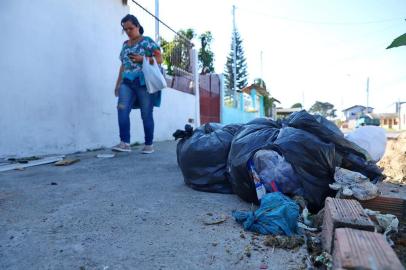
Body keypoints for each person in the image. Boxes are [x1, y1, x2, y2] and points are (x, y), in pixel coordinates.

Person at [113, 14, 163, 154]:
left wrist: (143, 58)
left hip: (143, 82)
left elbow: (160, 59)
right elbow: (123, 66)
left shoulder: (147, 41)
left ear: (138, 26)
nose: (128, 31)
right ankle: (124, 143)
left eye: (131, 28)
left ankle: (149, 144)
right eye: (125, 29)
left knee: (146, 114)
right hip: (127, 82)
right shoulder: (125, 45)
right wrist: (117, 84)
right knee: (122, 109)